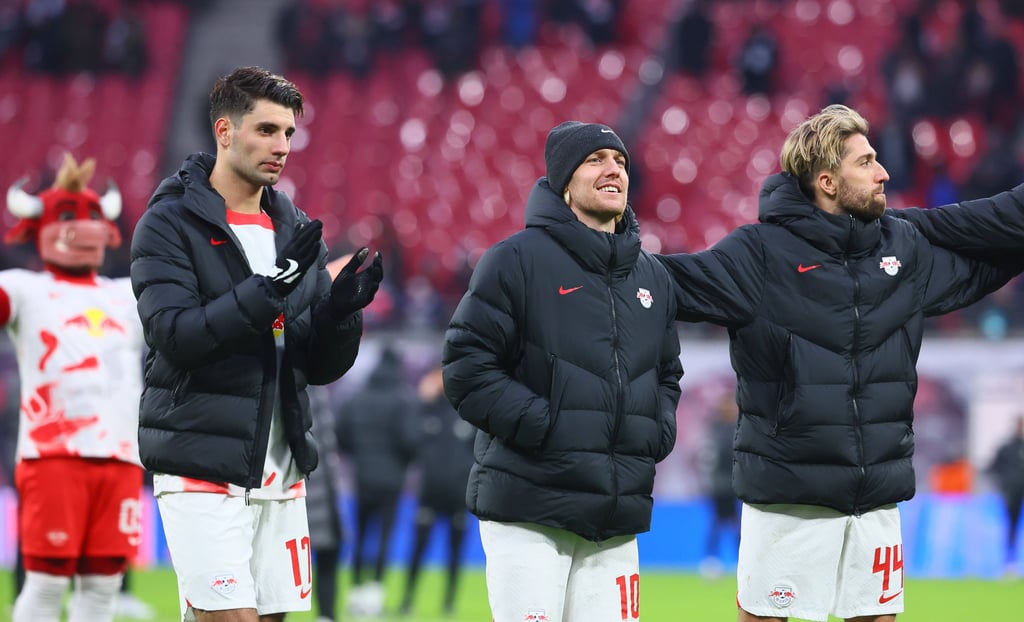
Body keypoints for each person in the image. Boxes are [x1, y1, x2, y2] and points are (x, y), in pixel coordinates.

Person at [655, 104, 1022, 622]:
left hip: (874, 496)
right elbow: (670, 284)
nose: (884, 171)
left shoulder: (903, 247)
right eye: (866, 161)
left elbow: (984, 261)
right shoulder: (759, 255)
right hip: (788, 495)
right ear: (827, 181)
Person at [129, 66, 383, 622]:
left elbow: (317, 368)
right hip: (202, 462)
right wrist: (267, 291)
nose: (282, 146)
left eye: (289, 133)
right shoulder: (168, 225)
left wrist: (341, 314)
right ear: (224, 131)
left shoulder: (296, 231)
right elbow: (174, 335)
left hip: (282, 472)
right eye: (267, 130)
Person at [442, 121, 683, 622]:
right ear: (563, 182)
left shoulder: (652, 276)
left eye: (619, 161)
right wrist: (545, 424)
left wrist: (655, 431)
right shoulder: (514, 260)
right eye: (595, 159)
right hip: (529, 507)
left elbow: (667, 373)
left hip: (613, 515)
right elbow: (466, 367)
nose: (613, 168)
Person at [2, 153, 146, 622]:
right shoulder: (23, 287)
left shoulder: (127, 294)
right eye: (68, 217)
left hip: (122, 458)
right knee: (46, 583)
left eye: (90, 216)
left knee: (102, 588)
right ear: (38, 226)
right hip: (53, 456)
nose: (83, 228)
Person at [335, 345, 418, 618]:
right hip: (392, 481)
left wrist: (359, 457)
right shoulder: (402, 400)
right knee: (384, 535)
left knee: (360, 535)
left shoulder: (357, 397)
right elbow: (411, 441)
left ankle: (356, 591)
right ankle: (375, 594)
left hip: (362, 478)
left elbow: (341, 435)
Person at [399, 364, 475, 616]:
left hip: (457, 496)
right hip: (428, 494)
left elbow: (479, 451)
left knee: (456, 552)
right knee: (417, 549)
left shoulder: (468, 412)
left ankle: (449, 603)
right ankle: (407, 600)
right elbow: (408, 440)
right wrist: (422, 401)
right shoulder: (426, 410)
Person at [699, 393, 740, 579]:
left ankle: (739, 559)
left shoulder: (738, 426)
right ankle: (711, 559)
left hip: (736, 483)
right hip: (720, 484)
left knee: (734, 522)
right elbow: (711, 455)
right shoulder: (717, 428)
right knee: (719, 521)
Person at [987, 416, 1024, 575]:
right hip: (1013, 492)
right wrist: (1004, 485)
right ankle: (1010, 564)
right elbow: (992, 468)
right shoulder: (1007, 448)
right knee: (1012, 527)